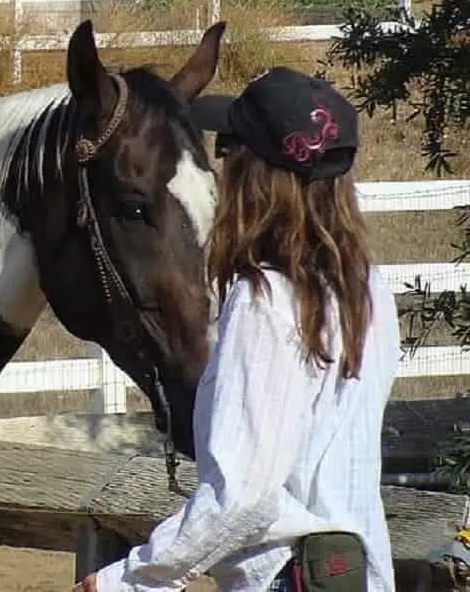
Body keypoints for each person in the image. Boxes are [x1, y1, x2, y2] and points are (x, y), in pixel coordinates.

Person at [76, 67, 400, 592]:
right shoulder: (368, 292)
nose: (220, 172)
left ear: (257, 175)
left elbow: (241, 494)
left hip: (284, 578)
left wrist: (129, 581)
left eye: (228, 153)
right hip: (355, 574)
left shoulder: (263, 302)